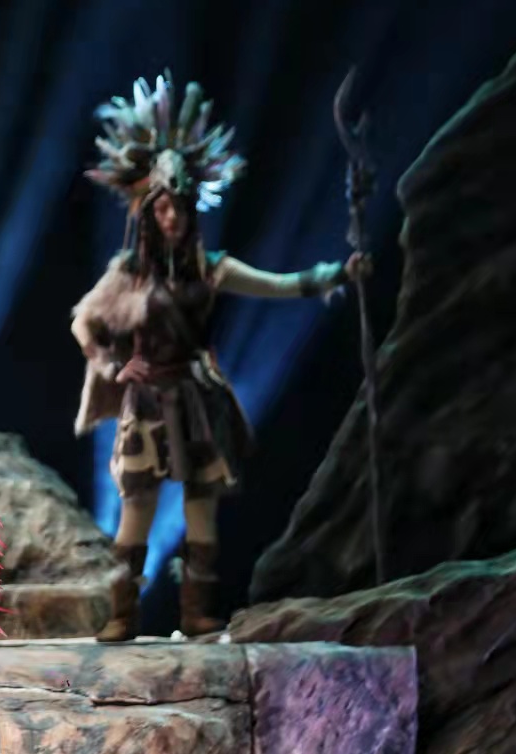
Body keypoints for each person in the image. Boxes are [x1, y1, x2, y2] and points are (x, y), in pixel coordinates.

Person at [72, 72, 370, 642]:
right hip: (147, 401)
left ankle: (195, 613)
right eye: (162, 208)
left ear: (189, 210)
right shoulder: (129, 273)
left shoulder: (213, 268)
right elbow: (84, 321)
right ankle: (122, 614)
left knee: (201, 507)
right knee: (138, 508)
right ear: (149, 211)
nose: (171, 217)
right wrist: (111, 366)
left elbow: (280, 285)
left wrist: (339, 273)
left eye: (178, 208)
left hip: (194, 397)